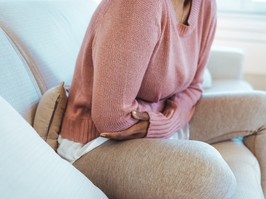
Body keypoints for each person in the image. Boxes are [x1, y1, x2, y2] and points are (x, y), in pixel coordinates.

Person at [57, 0, 240, 198]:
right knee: (212, 176)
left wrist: (165, 123)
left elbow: (195, 85)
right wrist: (162, 120)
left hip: (153, 121)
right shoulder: (139, 5)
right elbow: (112, 119)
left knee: (261, 107)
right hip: (97, 143)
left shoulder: (205, 4)